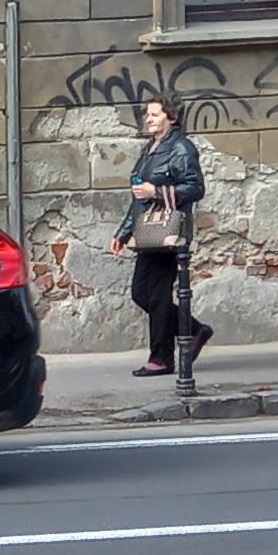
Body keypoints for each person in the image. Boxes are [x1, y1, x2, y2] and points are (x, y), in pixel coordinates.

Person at [112, 90, 211, 376]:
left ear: (172, 117)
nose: (149, 119)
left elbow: (195, 187)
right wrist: (123, 233)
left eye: (155, 114)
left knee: (155, 294)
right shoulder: (151, 148)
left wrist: (156, 191)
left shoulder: (181, 148)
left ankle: (161, 358)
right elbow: (137, 197)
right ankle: (193, 329)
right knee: (141, 292)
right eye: (148, 114)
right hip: (147, 230)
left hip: (168, 231)